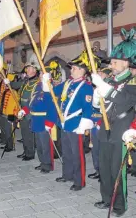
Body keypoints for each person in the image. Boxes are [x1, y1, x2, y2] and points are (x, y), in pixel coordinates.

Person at [92, 28, 136, 216]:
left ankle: (119, 205)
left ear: (127, 63)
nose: (112, 64)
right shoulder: (109, 79)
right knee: (104, 167)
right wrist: (96, 95)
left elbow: (123, 100)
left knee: (117, 171)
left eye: (116, 61)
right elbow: (100, 104)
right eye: (112, 61)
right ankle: (106, 198)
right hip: (105, 129)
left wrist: (103, 87)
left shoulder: (133, 82)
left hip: (121, 130)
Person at [42, 50, 99, 191]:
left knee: (77, 154)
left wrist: (83, 125)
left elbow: (88, 108)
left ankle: (80, 181)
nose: (71, 70)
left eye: (73, 68)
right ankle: (67, 174)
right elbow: (53, 90)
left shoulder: (86, 87)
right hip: (65, 122)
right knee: (66, 151)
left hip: (76, 124)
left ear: (81, 70)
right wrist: (46, 80)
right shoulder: (68, 83)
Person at [17, 62, 60, 173]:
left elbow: (53, 107)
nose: (40, 75)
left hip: (44, 120)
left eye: (42, 74)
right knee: (39, 144)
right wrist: (24, 110)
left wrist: (50, 122)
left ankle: (48, 164)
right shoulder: (38, 86)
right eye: (40, 73)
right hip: (35, 120)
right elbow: (32, 103)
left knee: (46, 145)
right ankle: (42, 162)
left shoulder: (50, 88)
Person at [5, 54, 40, 161]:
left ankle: (30, 154)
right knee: (24, 133)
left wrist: (25, 110)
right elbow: (17, 85)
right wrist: (9, 83)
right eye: (27, 68)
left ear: (34, 70)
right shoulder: (26, 81)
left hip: (30, 112)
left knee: (29, 134)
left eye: (29, 68)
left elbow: (34, 99)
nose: (27, 70)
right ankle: (26, 151)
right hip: (22, 111)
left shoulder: (37, 83)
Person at [88, 66, 112, 181]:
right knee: (95, 149)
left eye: (100, 73)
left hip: (104, 123)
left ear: (107, 75)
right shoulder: (95, 88)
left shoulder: (109, 88)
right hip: (94, 123)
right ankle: (98, 170)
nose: (98, 75)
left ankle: (105, 173)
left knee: (104, 150)